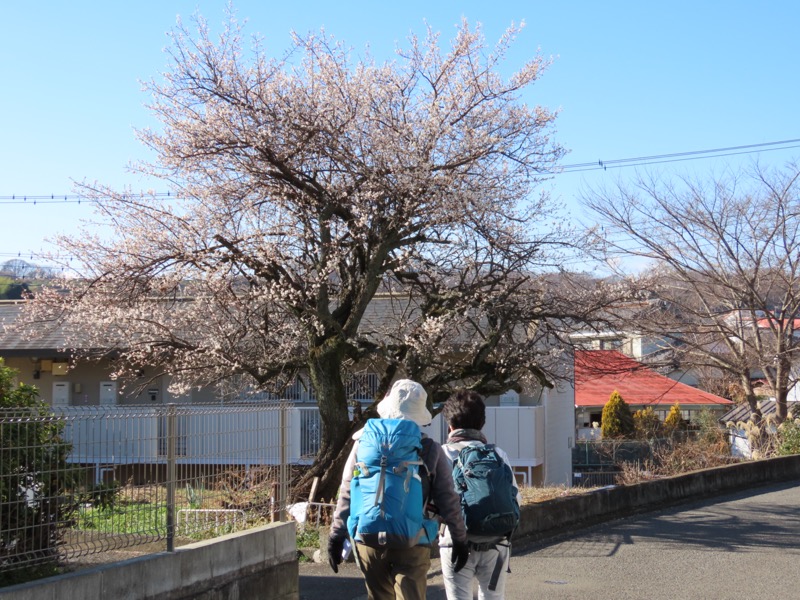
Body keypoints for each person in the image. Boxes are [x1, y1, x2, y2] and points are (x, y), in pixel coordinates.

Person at [328, 379, 470, 600]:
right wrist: (460, 540)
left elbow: (347, 489)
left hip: (368, 539)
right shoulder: (430, 449)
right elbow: (448, 499)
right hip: (413, 539)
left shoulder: (363, 442)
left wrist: (336, 535)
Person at [439, 390, 521, 600]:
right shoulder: (497, 454)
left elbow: (435, 503)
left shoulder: (444, 454)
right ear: (481, 423)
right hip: (497, 542)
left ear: (450, 425)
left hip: (455, 543)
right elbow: (516, 499)